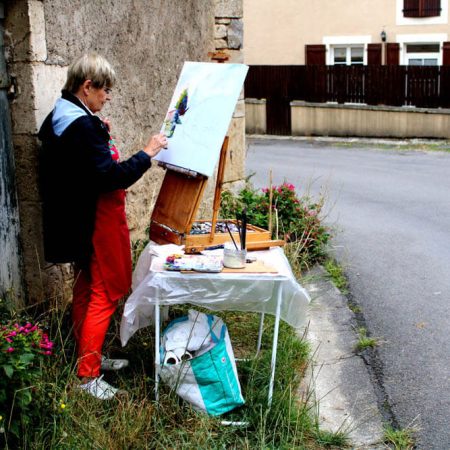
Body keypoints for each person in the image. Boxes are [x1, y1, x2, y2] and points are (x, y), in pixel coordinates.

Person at [38, 53, 167, 400]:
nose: (107, 96)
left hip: (77, 220)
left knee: (85, 291)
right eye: (105, 89)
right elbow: (110, 177)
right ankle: (88, 376)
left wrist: (99, 134)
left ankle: (87, 357)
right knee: (106, 293)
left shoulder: (61, 117)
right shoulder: (83, 126)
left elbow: (77, 166)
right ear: (87, 86)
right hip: (97, 221)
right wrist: (147, 153)